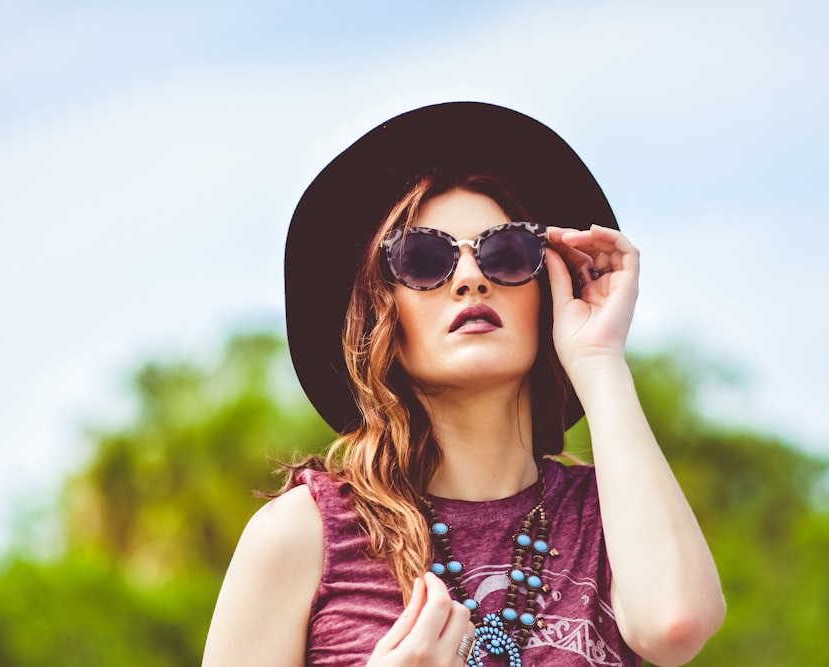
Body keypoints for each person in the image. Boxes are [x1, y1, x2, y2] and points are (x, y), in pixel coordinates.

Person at [201, 102, 725, 667]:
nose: (472, 278)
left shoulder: (614, 516)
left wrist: (598, 360)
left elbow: (675, 626)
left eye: (506, 252)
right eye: (424, 259)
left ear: (545, 291)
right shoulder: (304, 535)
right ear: (383, 315)